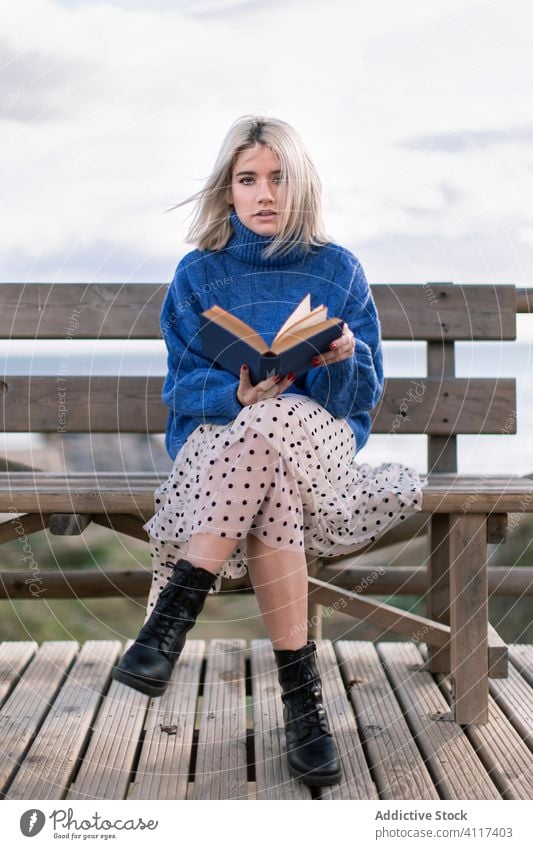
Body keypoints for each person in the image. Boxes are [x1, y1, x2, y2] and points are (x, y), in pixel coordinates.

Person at [112, 114, 423, 787]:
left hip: (316, 440)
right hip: (221, 444)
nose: (263, 193)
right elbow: (185, 383)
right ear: (227, 190)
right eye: (247, 178)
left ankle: (170, 620)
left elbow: (351, 402)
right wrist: (238, 396)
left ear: (300, 184)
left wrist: (344, 355)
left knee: (276, 430)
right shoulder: (198, 274)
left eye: (277, 178)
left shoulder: (337, 269)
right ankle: (303, 705)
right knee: (263, 454)